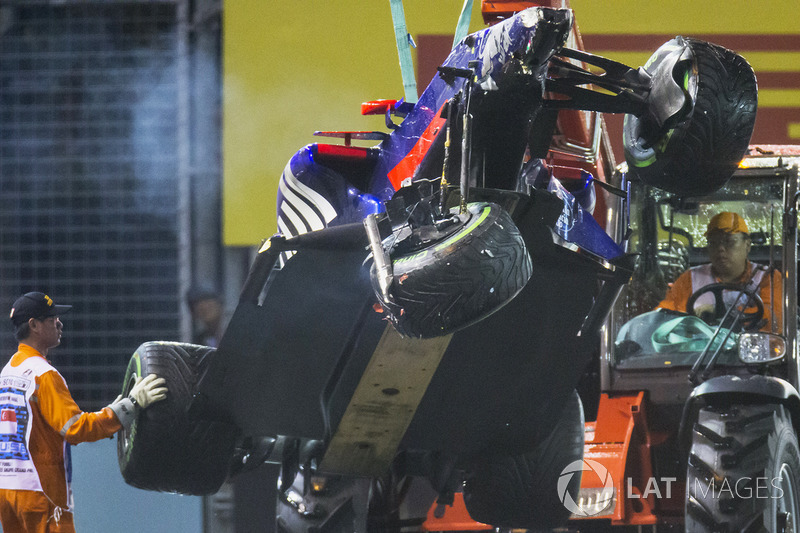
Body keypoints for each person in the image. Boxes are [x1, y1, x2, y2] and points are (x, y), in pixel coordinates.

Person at [0, 292, 168, 533]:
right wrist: (129, 406)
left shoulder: (8, 372)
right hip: (40, 494)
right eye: (52, 318)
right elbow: (75, 428)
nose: (59, 322)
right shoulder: (43, 374)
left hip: (8, 490)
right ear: (34, 325)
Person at [657, 212, 783, 330]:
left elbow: (774, 318)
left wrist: (716, 311)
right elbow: (665, 317)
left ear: (747, 245)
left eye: (729, 242)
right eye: (713, 243)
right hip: (704, 352)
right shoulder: (690, 278)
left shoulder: (767, 277)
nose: (720, 248)